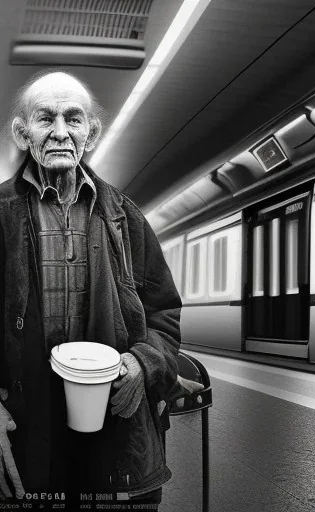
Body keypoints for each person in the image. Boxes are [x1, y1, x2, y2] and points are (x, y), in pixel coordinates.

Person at [0, 71, 183, 509]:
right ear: (22, 134)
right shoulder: (0, 215)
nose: (61, 132)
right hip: (24, 423)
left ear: (92, 133)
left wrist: (145, 363)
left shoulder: (125, 216)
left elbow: (163, 313)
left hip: (111, 420)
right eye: (46, 119)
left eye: (74, 119)